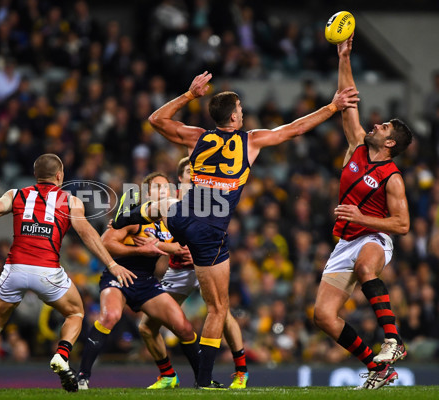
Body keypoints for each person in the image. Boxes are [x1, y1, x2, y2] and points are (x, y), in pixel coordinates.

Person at [112, 71, 359, 388]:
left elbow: (156, 119)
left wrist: (189, 95)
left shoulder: (198, 137)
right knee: (218, 308)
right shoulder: (251, 140)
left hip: (183, 216)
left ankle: (130, 215)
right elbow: (294, 130)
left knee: (167, 205)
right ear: (233, 115)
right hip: (209, 229)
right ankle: (204, 382)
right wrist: (332, 107)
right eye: (240, 108)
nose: (243, 112)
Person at [0, 154, 136, 393]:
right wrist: (112, 264)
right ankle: (62, 353)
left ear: (36, 174)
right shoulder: (70, 201)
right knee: (76, 313)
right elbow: (87, 233)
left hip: (14, 269)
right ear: (59, 176)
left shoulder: (16, 194)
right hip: (47, 271)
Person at [312, 34, 412, 390]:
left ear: (390, 144)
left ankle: (393, 340)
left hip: (375, 235)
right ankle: (378, 367)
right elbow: (349, 100)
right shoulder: (356, 145)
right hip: (346, 239)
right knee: (323, 316)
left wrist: (361, 218)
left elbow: (402, 224)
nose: (375, 124)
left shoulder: (393, 178)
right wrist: (344, 56)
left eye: (383, 127)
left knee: (365, 265)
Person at [77, 172, 202, 390]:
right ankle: (82, 377)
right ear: (146, 194)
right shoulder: (136, 216)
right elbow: (105, 242)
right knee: (111, 316)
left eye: (166, 188)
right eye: (157, 188)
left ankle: (197, 379)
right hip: (120, 274)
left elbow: (183, 246)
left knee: (183, 327)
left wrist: (182, 250)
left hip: (146, 281)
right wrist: (139, 249)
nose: (163, 192)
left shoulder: (170, 220)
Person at [137, 157, 249, 389]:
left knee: (222, 312)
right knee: (146, 326)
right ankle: (167, 374)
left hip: (206, 266)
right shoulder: (168, 202)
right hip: (178, 271)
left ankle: (241, 371)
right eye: (189, 171)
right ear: (180, 178)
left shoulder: (207, 199)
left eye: (197, 172)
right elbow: (149, 233)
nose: (194, 175)